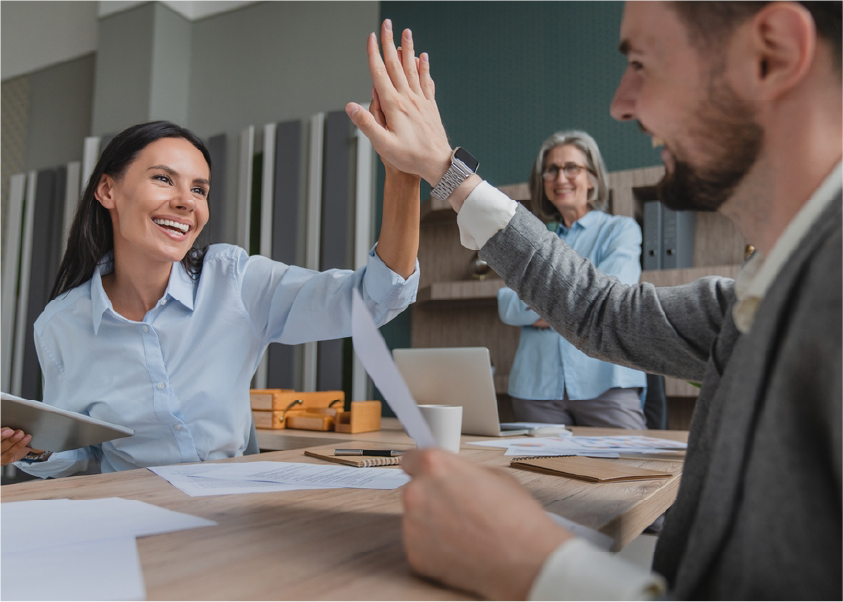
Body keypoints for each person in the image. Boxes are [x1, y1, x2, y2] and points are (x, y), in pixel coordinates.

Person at [345, 1, 843, 600]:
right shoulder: (770, 292)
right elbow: (601, 311)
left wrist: (538, 567)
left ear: (773, 55)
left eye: (640, 62)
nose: (620, 103)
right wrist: (442, 170)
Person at [0, 120, 420, 478]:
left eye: (199, 189)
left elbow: (372, 299)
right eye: (163, 179)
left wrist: (403, 178)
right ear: (108, 191)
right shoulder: (59, 326)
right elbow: (78, 452)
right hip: (131, 512)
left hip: (232, 511)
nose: (186, 202)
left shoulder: (234, 280)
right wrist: (31, 448)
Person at [498, 130, 646, 428]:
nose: (560, 178)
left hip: (606, 383)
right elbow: (508, 307)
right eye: (551, 170)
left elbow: (606, 300)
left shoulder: (620, 230)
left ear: (592, 178)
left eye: (571, 168)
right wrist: (574, 305)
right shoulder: (533, 237)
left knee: (631, 472)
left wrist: (541, 300)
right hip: (535, 387)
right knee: (540, 474)